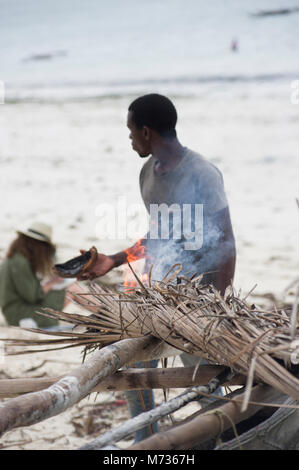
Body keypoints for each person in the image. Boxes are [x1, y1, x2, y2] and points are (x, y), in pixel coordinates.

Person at [79, 94, 236, 442]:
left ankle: (220, 439)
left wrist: (220, 305)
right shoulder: (147, 173)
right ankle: (145, 439)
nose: (130, 138)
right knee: (133, 358)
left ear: (146, 131)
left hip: (201, 299)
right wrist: (114, 260)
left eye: (131, 130)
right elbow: (159, 234)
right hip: (162, 293)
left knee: (203, 380)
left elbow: (226, 241)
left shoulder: (202, 174)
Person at [0, 221, 72, 329]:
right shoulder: (20, 262)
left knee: (70, 288)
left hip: (14, 311)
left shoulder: (16, 258)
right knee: (73, 289)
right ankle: (103, 316)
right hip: (20, 314)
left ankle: (102, 315)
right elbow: (33, 296)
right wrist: (52, 283)